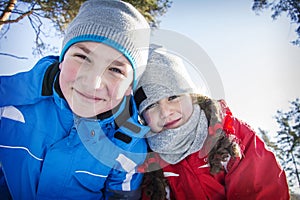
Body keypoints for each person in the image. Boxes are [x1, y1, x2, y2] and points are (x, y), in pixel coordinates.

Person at [0, 0, 151, 199]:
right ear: (62, 59)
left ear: (129, 88)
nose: (93, 83)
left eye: (115, 70)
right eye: (82, 57)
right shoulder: (9, 100)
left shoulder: (128, 146)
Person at [134, 47, 290, 200]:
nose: (165, 112)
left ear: (192, 96)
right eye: (151, 106)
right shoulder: (148, 163)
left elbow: (263, 188)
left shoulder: (231, 135)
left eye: (173, 97)